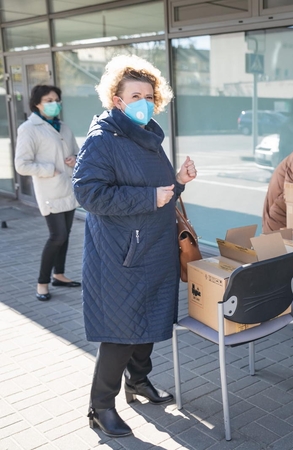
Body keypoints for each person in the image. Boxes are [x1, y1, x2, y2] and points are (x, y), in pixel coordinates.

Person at [72, 55, 197, 438]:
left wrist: (178, 182)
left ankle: (139, 382)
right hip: (120, 255)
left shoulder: (147, 135)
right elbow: (87, 193)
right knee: (121, 332)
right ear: (117, 99)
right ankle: (100, 406)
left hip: (153, 249)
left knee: (149, 325)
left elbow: (158, 193)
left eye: (149, 94)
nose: (143, 101)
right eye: (135, 95)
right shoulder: (102, 140)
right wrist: (150, 198)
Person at [14, 85, 81, 302]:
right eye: (48, 100)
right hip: (49, 191)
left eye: (56, 99)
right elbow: (21, 165)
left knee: (66, 235)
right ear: (37, 104)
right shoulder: (29, 128)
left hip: (68, 189)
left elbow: (78, 152)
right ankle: (42, 283)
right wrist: (48, 169)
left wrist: (75, 158)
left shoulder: (63, 127)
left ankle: (58, 275)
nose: (54, 103)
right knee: (57, 236)